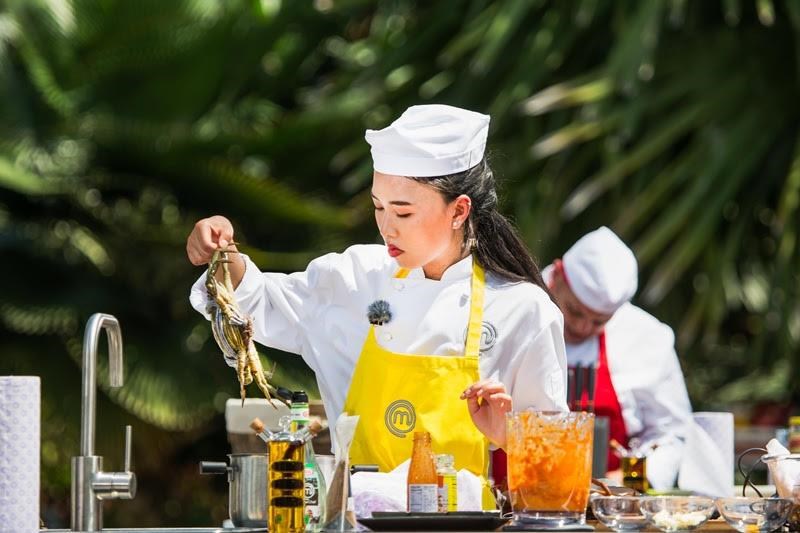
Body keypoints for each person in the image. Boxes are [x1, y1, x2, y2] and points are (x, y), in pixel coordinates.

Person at [186, 104, 567, 494]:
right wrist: (223, 250)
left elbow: (557, 472)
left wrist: (510, 437)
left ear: (459, 211)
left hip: (459, 521)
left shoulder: (523, 311)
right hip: (354, 517)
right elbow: (258, 303)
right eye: (378, 207)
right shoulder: (354, 280)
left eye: (403, 213)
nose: (386, 228)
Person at [543, 226, 692, 489]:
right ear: (556, 276)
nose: (583, 327)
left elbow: (671, 434)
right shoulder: (513, 308)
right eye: (575, 311)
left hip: (610, 502)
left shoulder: (646, 337)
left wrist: (628, 479)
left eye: (599, 321)